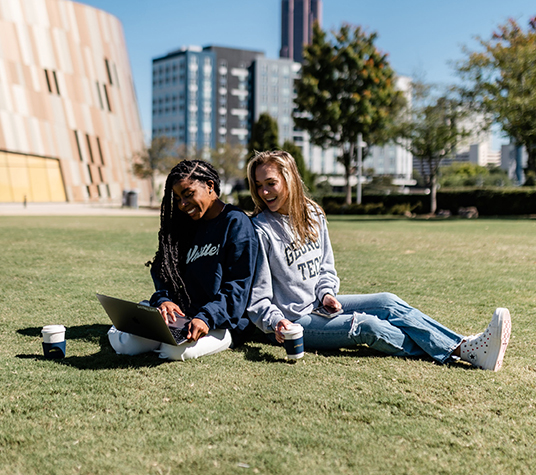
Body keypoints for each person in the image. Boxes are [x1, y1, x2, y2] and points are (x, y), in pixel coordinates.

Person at [246, 151, 511, 371]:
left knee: (387, 302)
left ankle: (464, 347)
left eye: (271, 183)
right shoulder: (260, 230)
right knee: (367, 326)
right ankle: (466, 350)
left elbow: (326, 267)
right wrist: (275, 323)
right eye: (259, 185)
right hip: (296, 321)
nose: (264, 192)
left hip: (319, 305)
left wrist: (326, 293)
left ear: (289, 179)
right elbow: (258, 298)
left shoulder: (313, 213)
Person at [108, 160, 258, 361]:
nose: (182, 205)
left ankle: (152, 331)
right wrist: (164, 300)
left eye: (188, 195)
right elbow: (163, 270)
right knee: (127, 345)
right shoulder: (184, 225)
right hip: (180, 318)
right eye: (178, 198)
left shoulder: (236, 223)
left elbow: (238, 286)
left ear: (210, 186)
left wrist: (206, 317)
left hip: (221, 322)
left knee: (175, 351)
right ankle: (131, 324)